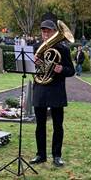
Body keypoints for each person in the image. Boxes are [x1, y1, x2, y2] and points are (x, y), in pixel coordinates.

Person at [30, 19, 75, 167]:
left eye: (48, 31)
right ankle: (40, 155)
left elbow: (71, 71)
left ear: (55, 32)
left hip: (56, 90)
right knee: (40, 125)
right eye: (43, 31)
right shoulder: (36, 47)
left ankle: (57, 156)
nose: (45, 34)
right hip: (41, 90)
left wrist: (61, 69)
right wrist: (37, 64)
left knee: (58, 125)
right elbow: (33, 71)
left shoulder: (63, 49)